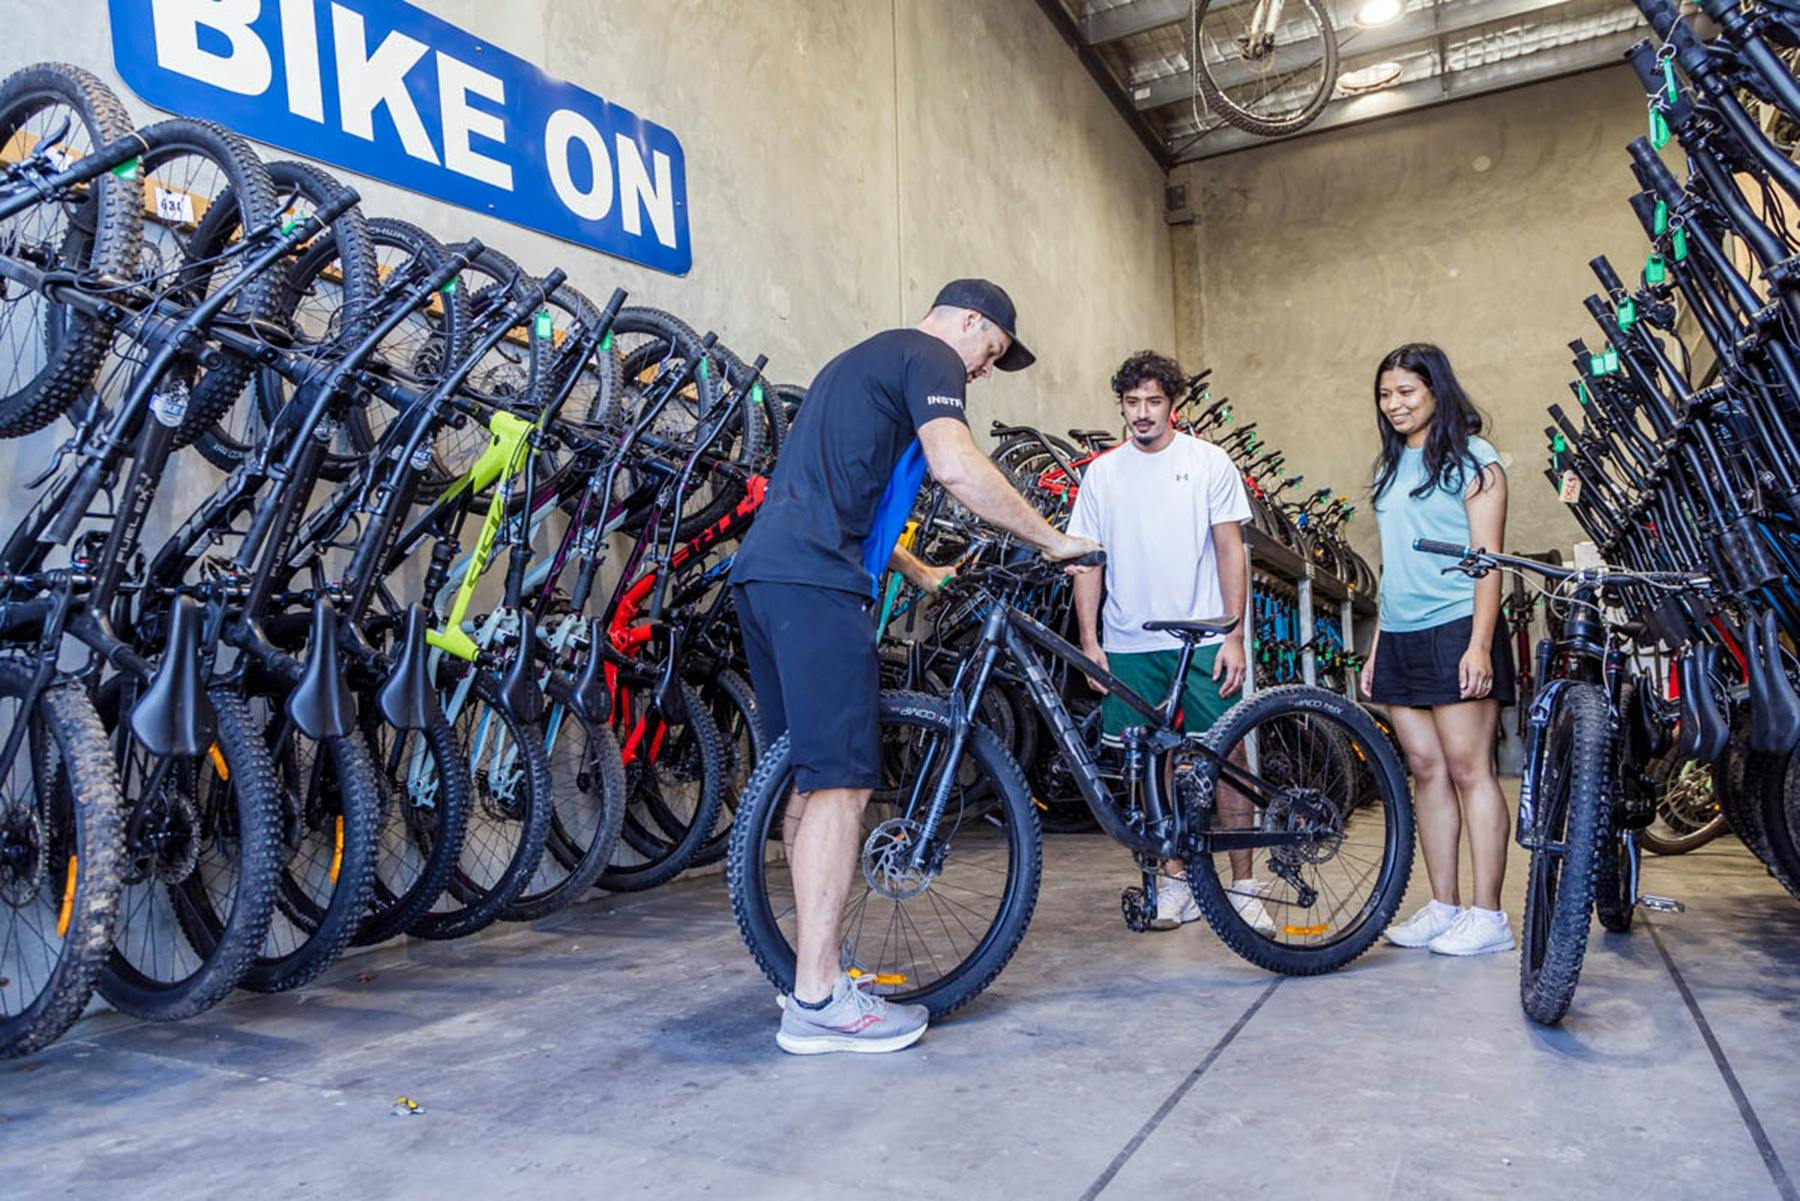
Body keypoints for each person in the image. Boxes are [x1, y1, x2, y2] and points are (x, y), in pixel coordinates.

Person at [730, 280, 1100, 1055]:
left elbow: (834, 491)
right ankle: (820, 1000)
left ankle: (812, 968)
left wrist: (916, 567)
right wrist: (1053, 540)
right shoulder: (929, 352)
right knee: (841, 780)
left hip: (768, 577)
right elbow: (958, 466)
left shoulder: (856, 363)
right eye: (991, 351)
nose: (984, 372)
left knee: (809, 775)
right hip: (817, 583)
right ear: (969, 321)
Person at [1067, 350, 1273, 933]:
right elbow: (1086, 559)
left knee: (1226, 757)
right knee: (1153, 761)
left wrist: (1234, 634)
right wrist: (1089, 639)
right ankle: (1177, 879)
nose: (1141, 413)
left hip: (1203, 636)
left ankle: (1244, 886)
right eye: (1131, 403)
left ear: (1172, 405)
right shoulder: (1103, 474)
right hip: (1130, 642)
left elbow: (1232, 549)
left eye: (1153, 401)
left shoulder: (1208, 462)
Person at [1360, 343, 1516, 957]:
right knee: (1425, 770)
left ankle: (1488, 915)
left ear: (1435, 392)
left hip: (1456, 626)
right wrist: (1376, 648)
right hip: (1400, 633)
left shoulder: (1475, 460)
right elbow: (1391, 566)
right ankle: (1445, 903)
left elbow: (1489, 562)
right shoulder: (1389, 465)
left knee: (1467, 769)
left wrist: (1480, 645)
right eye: (1385, 394)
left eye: (1406, 392)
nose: (1395, 404)